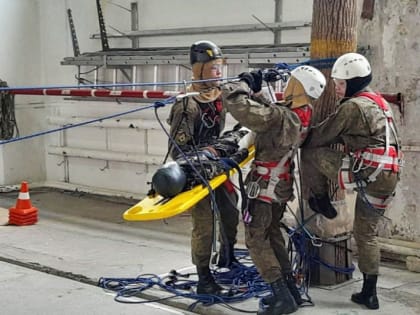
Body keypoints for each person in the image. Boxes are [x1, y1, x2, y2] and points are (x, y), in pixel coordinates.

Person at [221, 65, 327, 315]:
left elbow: (243, 109)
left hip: (265, 188)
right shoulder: (304, 113)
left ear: (299, 87)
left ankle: (282, 296)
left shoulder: (282, 118)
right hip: (279, 186)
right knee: (272, 234)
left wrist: (241, 86)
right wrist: (258, 92)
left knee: (256, 239)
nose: (287, 84)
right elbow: (272, 114)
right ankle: (290, 291)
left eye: (291, 81)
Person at [302, 52, 403, 310]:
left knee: (310, 152)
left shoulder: (352, 107)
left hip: (368, 172)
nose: (336, 89)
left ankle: (320, 198)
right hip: (388, 174)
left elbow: (322, 135)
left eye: (340, 84)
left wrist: (298, 133)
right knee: (366, 234)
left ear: (354, 83)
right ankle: (369, 292)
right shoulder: (379, 101)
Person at [166, 40, 239, 295]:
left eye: (220, 66)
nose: (218, 72)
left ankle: (227, 255)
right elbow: (178, 151)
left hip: (217, 165)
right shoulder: (187, 105)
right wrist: (204, 156)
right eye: (212, 67)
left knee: (231, 208)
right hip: (195, 172)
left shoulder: (220, 95)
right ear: (198, 69)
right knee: (204, 223)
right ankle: (204, 277)